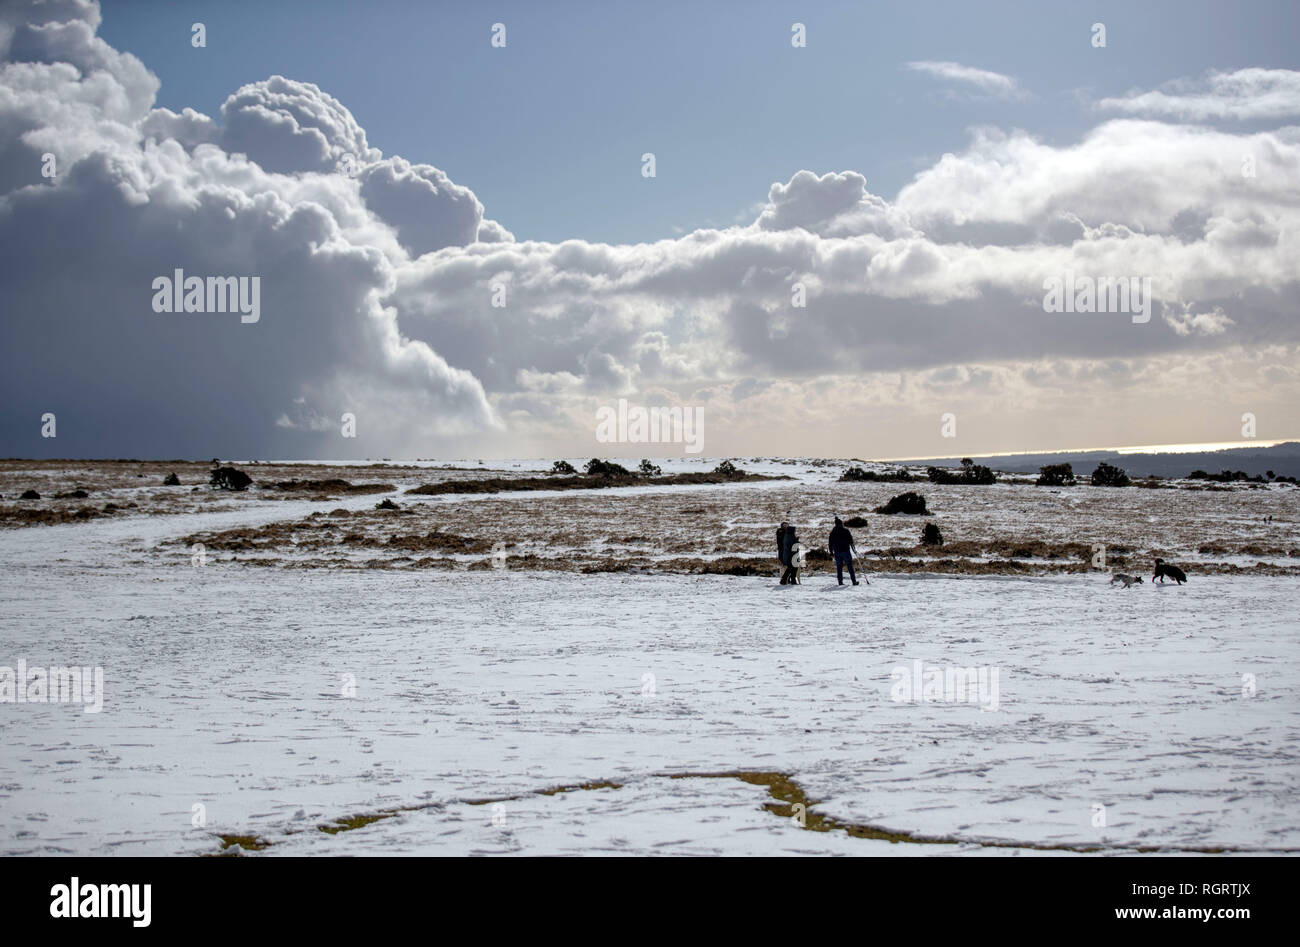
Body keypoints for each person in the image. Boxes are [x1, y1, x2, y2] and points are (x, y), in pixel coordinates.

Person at [828, 516, 859, 585]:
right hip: (845, 551)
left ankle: (840, 582)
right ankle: (853, 581)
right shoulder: (846, 531)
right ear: (841, 524)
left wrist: (831, 552)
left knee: (839, 567)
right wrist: (853, 549)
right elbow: (851, 541)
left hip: (837, 552)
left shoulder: (833, 532)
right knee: (850, 566)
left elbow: (830, 543)